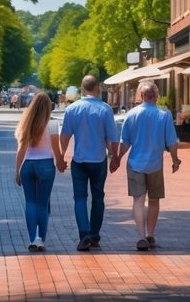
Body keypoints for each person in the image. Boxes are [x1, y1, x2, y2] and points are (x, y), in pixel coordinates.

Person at [113, 80, 181, 251]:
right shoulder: (164, 115)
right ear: (156, 96)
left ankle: (141, 236)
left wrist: (118, 158)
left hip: (135, 163)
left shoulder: (131, 114)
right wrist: (175, 159)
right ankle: (151, 234)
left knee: (138, 200)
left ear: (141, 96)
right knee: (154, 200)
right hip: (155, 165)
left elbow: (125, 142)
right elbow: (172, 142)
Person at [59, 74, 119, 251]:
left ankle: (84, 234)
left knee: (80, 198)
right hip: (98, 159)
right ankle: (94, 235)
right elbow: (112, 138)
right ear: (98, 88)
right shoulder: (106, 109)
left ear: (82, 88)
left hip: (79, 159)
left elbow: (64, 136)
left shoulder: (72, 109)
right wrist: (114, 157)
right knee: (98, 197)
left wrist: (62, 157)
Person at [14, 93, 64, 252]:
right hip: (46, 165)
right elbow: (56, 149)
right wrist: (61, 163)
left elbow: (21, 149)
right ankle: (40, 239)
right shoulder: (52, 125)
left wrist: (17, 171)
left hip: (27, 166)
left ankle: (33, 238)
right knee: (42, 204)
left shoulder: (26, 123)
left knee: (30, 203)